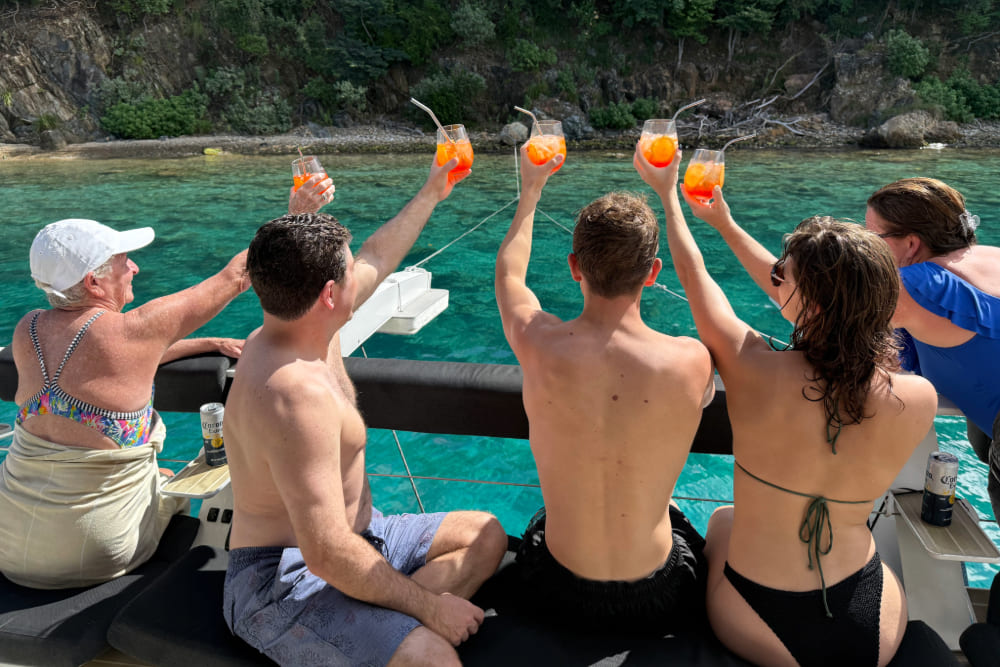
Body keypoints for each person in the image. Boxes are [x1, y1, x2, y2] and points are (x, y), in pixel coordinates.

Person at [634, 148, 938, 666]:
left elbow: (694, 276)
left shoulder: (752, 369)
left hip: (759, 618)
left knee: (724, 520)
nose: (775, 281)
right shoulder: (916, 397)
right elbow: (832, 320)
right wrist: (725, 221)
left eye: (782, 276)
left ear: (811, 303)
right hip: (873, 621)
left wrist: (667, 195)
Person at [222, 155, 507, 667]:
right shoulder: (294, 396)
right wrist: (431, 608)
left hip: (363, 537)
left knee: (485, 536)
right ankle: (393, 627)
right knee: (435, 658)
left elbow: (378, 254)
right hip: (283, 581)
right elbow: (326, 553)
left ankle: (380, 622)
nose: (365, 271)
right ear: (330, 294)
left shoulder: (304, 325)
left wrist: (432, 191)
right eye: (353, 271)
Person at [493, 144, 715, 636]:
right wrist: (670, 196)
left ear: (574, 267)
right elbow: (708, 301)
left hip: (556, 586)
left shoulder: (538, 343)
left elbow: (508, 275)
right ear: (653, 273)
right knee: (683, 513)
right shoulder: (691, 360)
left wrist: (530, 190)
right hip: (658, 593)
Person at [0, 218, 250, 589]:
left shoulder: (28, 329)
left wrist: (204, 342)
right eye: (123, 260)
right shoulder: (134, 332)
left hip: (10, 539)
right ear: (93, 281)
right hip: (93, 552)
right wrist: (297, 213)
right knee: (175, 489)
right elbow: (237, 277)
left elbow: (101, 364)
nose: (134, 267)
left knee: (157, 477)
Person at [866, 177, 1000, 523]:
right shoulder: (989, 256)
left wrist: (725, 227)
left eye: (872, 237)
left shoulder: (918, 284)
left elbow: (802, 299)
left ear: (911, 243)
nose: (866, 248)